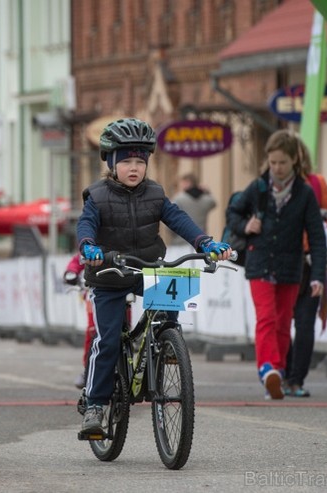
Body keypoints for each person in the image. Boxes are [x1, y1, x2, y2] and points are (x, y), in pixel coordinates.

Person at [76, 118, 232, 435]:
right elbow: (85, 226)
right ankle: (95, 404)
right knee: (106, 341)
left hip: (145, 268)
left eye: (139, 161)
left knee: (171, 292)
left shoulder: (155, 194)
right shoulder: (97, 195)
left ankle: (167, 344)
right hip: (108, 272)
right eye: (126, 161)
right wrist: (89, 247)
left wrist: (205, 243)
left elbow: (179, 219)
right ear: (111, 162)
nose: (133, 167)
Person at [226, 130, 326, 400]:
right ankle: (268, 368)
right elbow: (233, 212)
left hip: (290, 268)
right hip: (259, 263)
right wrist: (246, 225)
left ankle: (278, 374)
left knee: (283, 323)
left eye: (282, 162)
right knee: (267, 318)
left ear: (294, 160)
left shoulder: (304, 193)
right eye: (273, 162)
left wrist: (318, 276)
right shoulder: (258, 187)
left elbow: (317, 237)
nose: (277, 168)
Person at [285, 145, 327, 398]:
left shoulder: (318, 184)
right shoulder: (275, 186)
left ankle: (297, 380)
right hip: (285, 262)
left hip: (311, 261)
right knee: (282, 323)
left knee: (306, 323)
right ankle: (283, 375)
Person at [62, 253, 96, 388]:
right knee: (93, 330)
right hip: (95, 292)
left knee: (126, 330)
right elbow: (77, 261)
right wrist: (71, 272)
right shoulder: (92, 244)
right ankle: (88, 369)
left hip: (123, 288)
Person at [170, 173, 217, 244]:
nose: (181, 185)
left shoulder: (179, 198)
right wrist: (207, 191)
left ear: (188, 182)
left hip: (181, 240)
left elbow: (170, 216)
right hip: (200, 240)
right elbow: (213, 203)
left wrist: (173, 234)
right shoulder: (206, 199)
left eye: (183, 183)